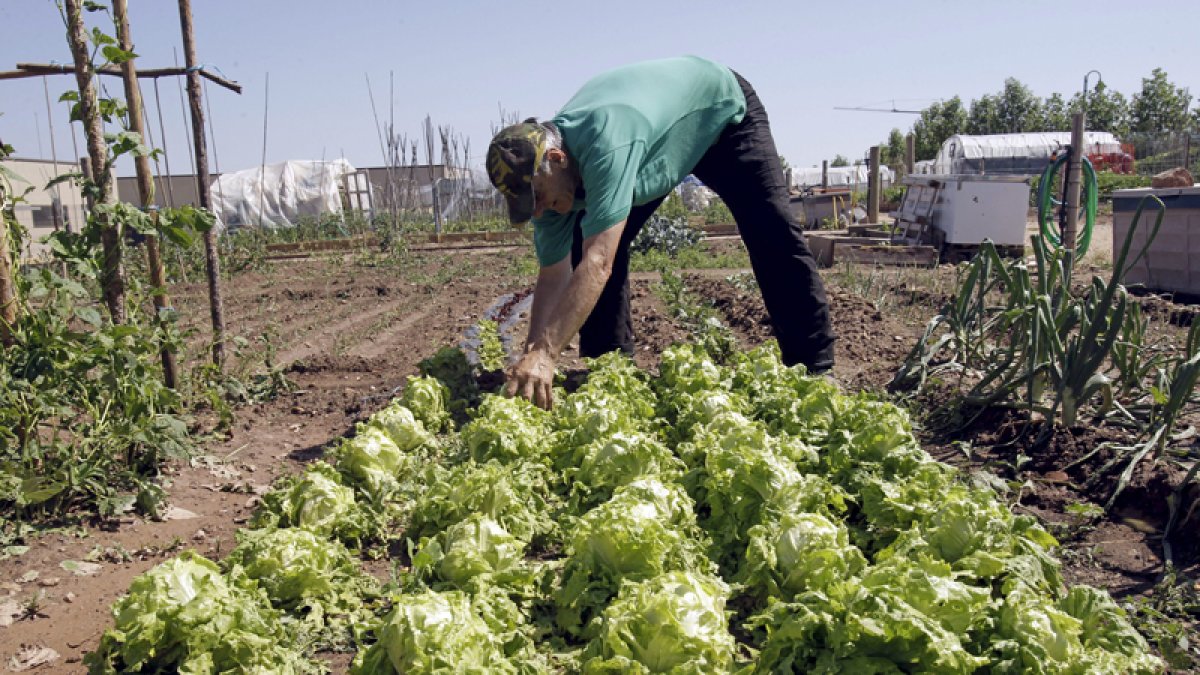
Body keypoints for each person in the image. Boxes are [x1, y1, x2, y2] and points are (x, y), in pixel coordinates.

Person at [486, 56, 834, 409]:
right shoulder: (544, 184)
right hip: (653, 142)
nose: (539, 211)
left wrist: (547, 353)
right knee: (588, 239)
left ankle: (815, 366)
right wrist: (531, 354)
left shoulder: (606, 145)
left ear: (558, 159)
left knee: (771, 229)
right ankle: (611, 370)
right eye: (531, 205)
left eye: (540, 198)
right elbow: (552, 275)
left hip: (722, 115)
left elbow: (598, 263)